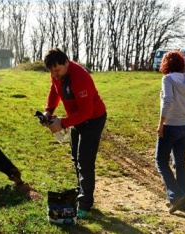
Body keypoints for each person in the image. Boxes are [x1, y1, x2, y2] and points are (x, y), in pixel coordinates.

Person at [42, 48, 107, 218]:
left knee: (85, 160)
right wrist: (48, 111)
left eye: (58, 70)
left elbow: (86, 112)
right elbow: (54, 90)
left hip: (93, 119)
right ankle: (81, 191)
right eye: (52, 71)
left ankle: (85, 204)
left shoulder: (80, 77)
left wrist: (62, 123)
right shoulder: (56, 74)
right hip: (77, 119)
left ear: (66, 62)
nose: (55, 74)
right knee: (76, 157)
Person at [155, 50, 185, 214]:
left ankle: (176, 196)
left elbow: (167, 100)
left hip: (169, 127)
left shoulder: (167, 79)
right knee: (180, 163)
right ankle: (182, 202)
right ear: (181, 64)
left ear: (166, 64)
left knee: (161, 161)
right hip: (184, 128)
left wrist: (161, 124)